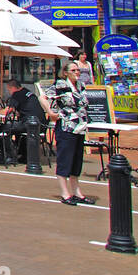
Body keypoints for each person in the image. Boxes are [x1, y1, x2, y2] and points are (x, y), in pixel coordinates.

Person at [40, 61, 93, 205]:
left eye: (78, 71)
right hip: (66, 127)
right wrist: (51, 112)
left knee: (76, 162)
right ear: (66, 72)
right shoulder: (60, 85)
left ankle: (77, 192)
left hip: (80, 128)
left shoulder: (81, 86)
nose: (77, 73)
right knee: (65, 160)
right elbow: (42, 97)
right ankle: (65, 193)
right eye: (74, 70)